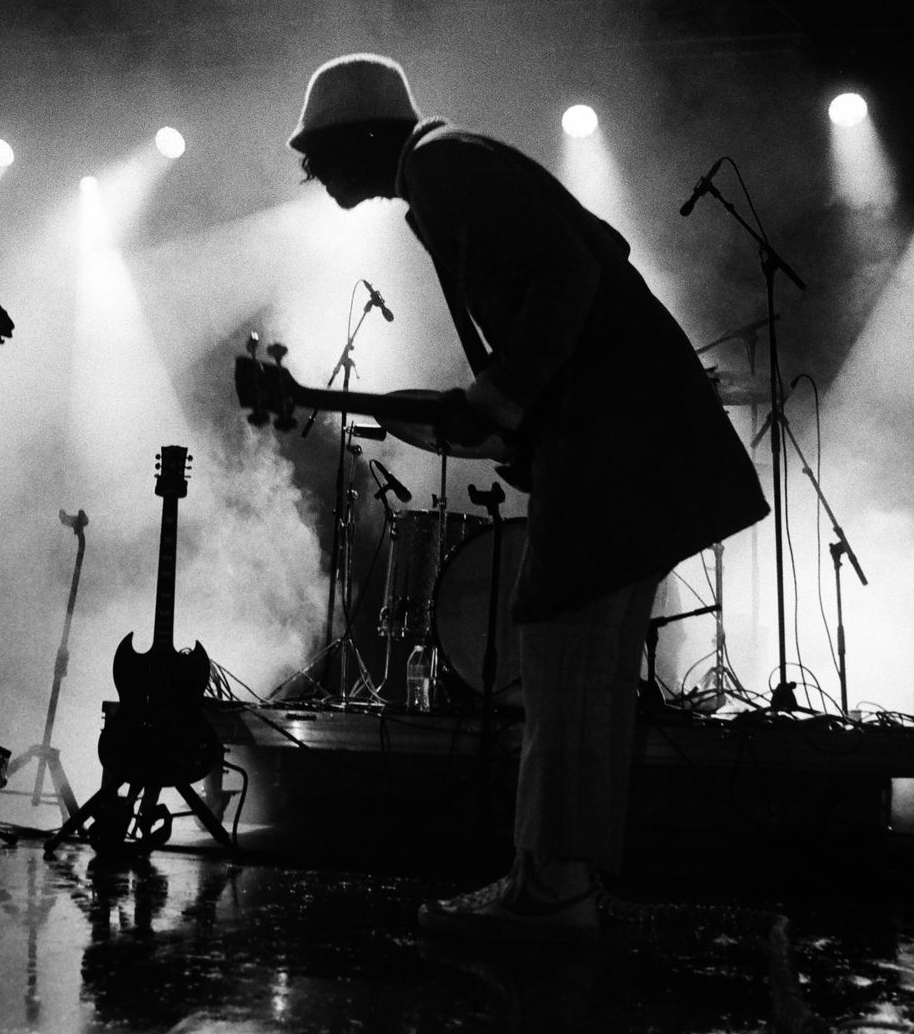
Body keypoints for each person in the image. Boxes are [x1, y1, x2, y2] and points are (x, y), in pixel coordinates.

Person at [287, 54, 767, 940]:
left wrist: (507, 401)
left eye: (317, 153)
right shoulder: (449, 167)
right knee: (583, 659)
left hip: (618, 451)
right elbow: (580, 275)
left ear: (361, 134)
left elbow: (567, 275)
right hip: (627, 446)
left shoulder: (443, 165)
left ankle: (550, 889)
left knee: (559, 642)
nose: (313, 176)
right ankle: (568, 880)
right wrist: (510, 421)